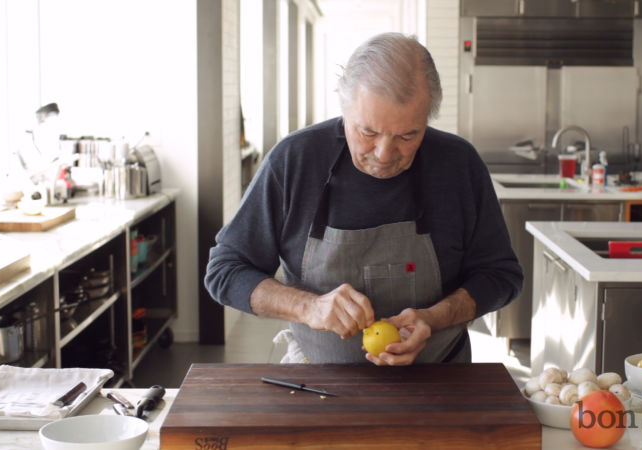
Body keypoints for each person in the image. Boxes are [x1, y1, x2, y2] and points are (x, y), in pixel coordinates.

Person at [205, 32, 523, 366]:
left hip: (441, 381)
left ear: (428, 118)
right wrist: (308, 307)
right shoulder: (294, 161)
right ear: (343, 106)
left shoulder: (459, 165)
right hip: (317, 383)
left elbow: (501, 275)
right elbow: (225, 271)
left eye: (407, 135)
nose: (384, 155)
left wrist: (435, 318)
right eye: (368, 132)